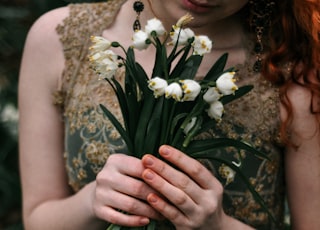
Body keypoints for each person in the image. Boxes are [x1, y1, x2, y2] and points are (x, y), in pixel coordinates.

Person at [18, 0, 320, 229]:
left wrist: (219, 225)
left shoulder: (296, 69)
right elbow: (37, 218)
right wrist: (92, 200)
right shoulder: (60, 39)